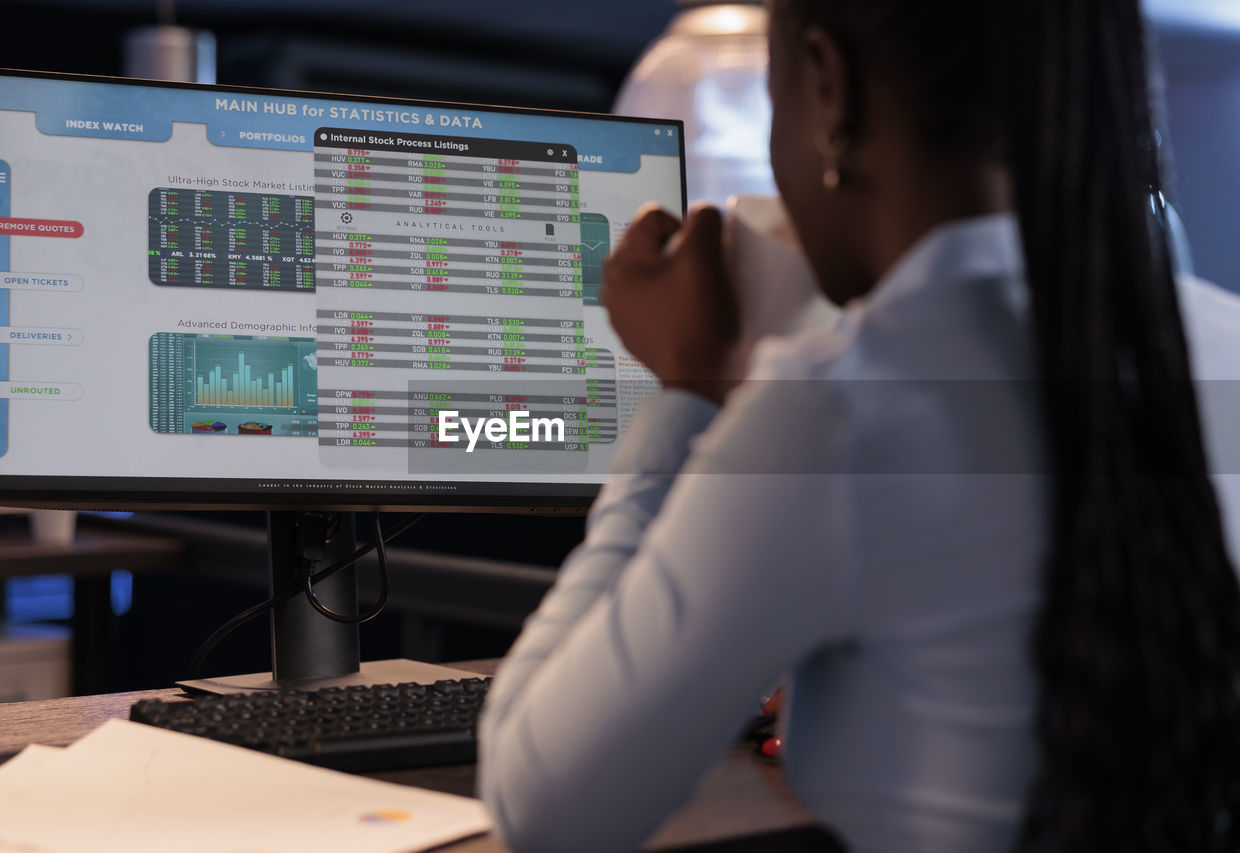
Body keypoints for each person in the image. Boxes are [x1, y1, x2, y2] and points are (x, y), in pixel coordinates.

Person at [477, 1, 1240, 851]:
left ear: (828, 89)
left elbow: (540, 805)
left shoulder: (833, 413)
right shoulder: (1224, 345)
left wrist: (686, 394)